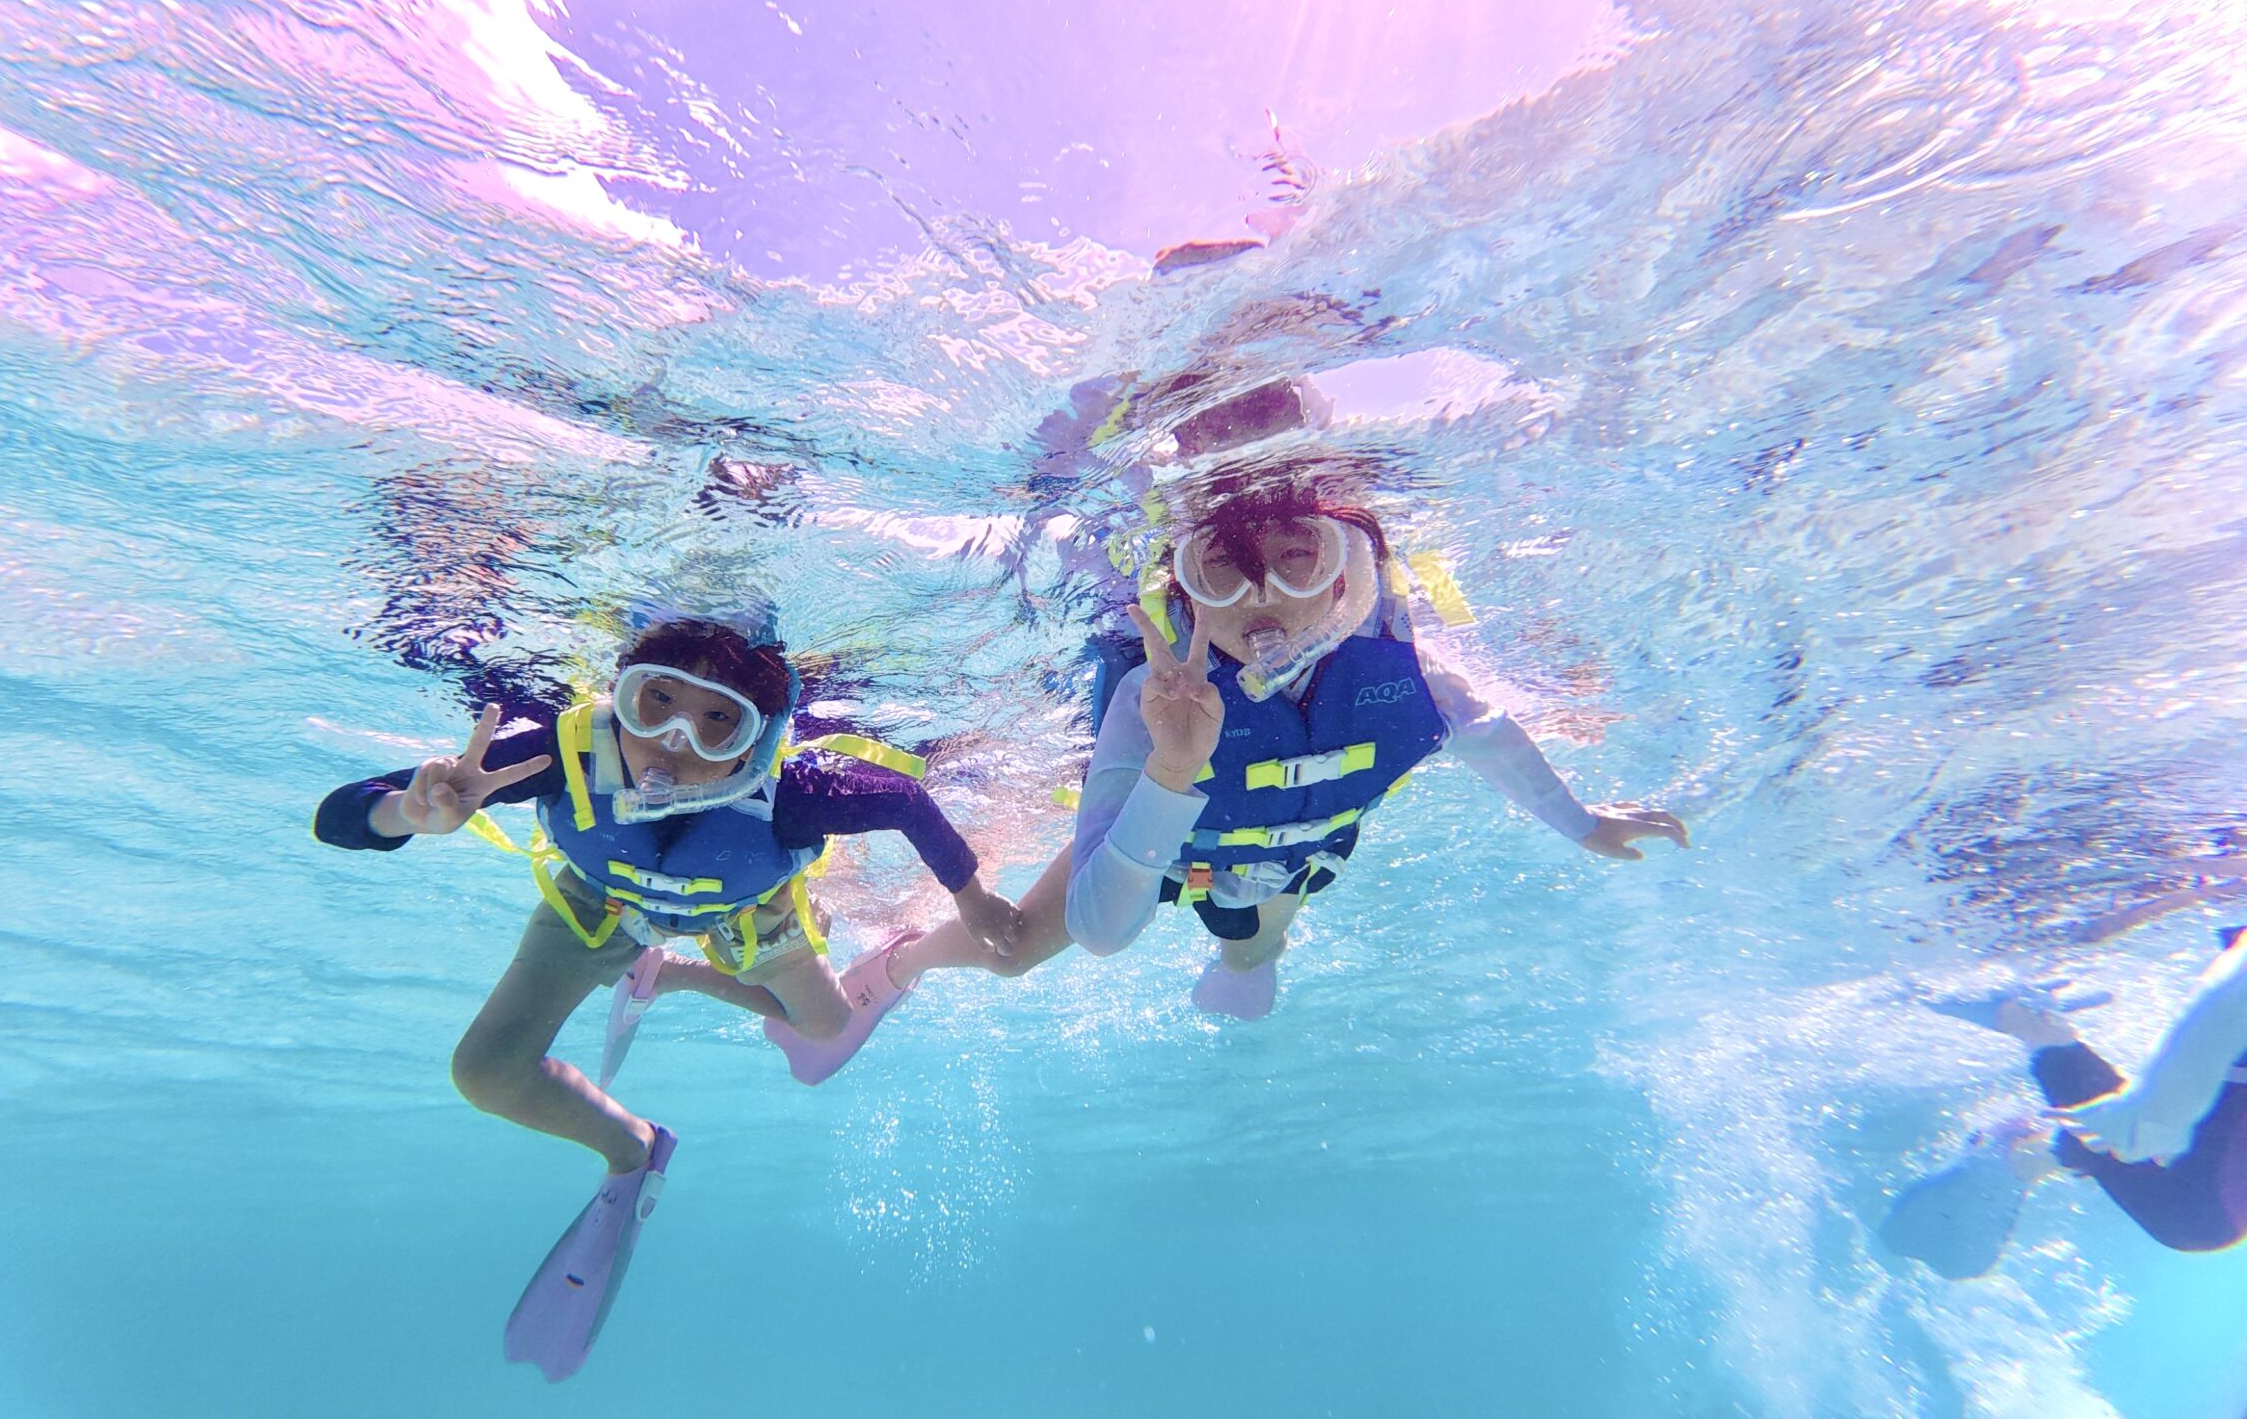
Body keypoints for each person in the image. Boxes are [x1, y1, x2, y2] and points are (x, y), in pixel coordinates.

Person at [769, 467, 1688, 1082]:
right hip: (1159, 839)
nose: (1262, 597)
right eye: (1223, 572)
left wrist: (1585, 824)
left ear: (1343, 576)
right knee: (1011, 953)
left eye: (1297, 558)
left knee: (1254, 936)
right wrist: (1173, 769)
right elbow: (1102, 931)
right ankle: (897, 966)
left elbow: (1491, 738)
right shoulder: (1149, 701)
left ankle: (1244, 956)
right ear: (1185, 591)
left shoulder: (1411, 680)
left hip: (1292, 850)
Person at [311, 613, 1017, 1374]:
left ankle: (671, 973)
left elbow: (907, 802)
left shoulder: (795, 794)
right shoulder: (559, 753)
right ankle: (631, 1148)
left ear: (758, 741)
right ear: (622, 696)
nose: (675, 741)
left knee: (826, 1026)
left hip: (742, 910)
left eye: (718, 722)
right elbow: (335, 818)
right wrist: (406, 813)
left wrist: (972, 898)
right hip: (595, 907)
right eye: (658, 703)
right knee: (485, 1073)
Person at [1879, 926, 2247, 1280]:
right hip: (2207, 1202)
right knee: (2136, 1128)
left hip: (2205, 1204)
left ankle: (2022, 1151)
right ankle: (2024, 1151)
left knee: (2136, 1128)